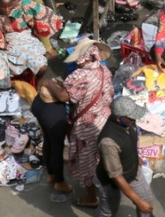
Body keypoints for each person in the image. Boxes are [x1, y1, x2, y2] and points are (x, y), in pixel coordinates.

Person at [0, 0, 62, 91]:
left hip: (26, 40)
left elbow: (41, 12)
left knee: (42, 67)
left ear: (13, 1)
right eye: (2, 7)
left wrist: (38, 26)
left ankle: (38, 80)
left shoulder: (23, 5)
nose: (6, 10)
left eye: (9, 6)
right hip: (6, 43)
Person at [65, 38, 114, 209]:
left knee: (87, 161)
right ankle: (109, 189)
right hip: (105, 119)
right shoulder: (104, 70)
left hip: (87, 125)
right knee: (102, 157)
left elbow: (69, 97)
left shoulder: (80, 76)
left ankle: (92, 197)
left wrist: (50, 84)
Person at [95, 97, 154, 217]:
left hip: (132, 172)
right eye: (131, 118)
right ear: (119, 118)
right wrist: (137, 201)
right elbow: (116, 176)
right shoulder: (108, 142)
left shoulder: (128, 123)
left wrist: (135, 157)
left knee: (146, 201)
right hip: (111, 182)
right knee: (109, 210)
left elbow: (129, 141)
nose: (134, 119)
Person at [31, 73, 71, 194]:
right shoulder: (56, 110)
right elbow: (64, 97)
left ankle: (51, 175)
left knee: (48, 141)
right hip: (51, 116)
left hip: (40, 110)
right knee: (57, 149)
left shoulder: (39, 97)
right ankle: (59, 182)